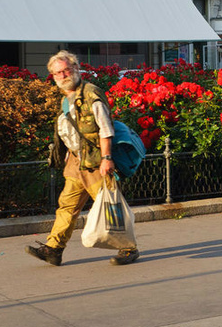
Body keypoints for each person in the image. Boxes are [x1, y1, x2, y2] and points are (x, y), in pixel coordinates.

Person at [26, 50, 140, 266]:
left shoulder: (91, 94)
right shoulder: (66, 99)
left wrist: (107, 158)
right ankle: (54, 249)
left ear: (77, 68)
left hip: (96, 162)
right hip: (76, 162)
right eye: (58, 73)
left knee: (110, 206)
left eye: (67, 70)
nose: (63, 75)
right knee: (67, 206)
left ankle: (129, 248)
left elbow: (105, 130)